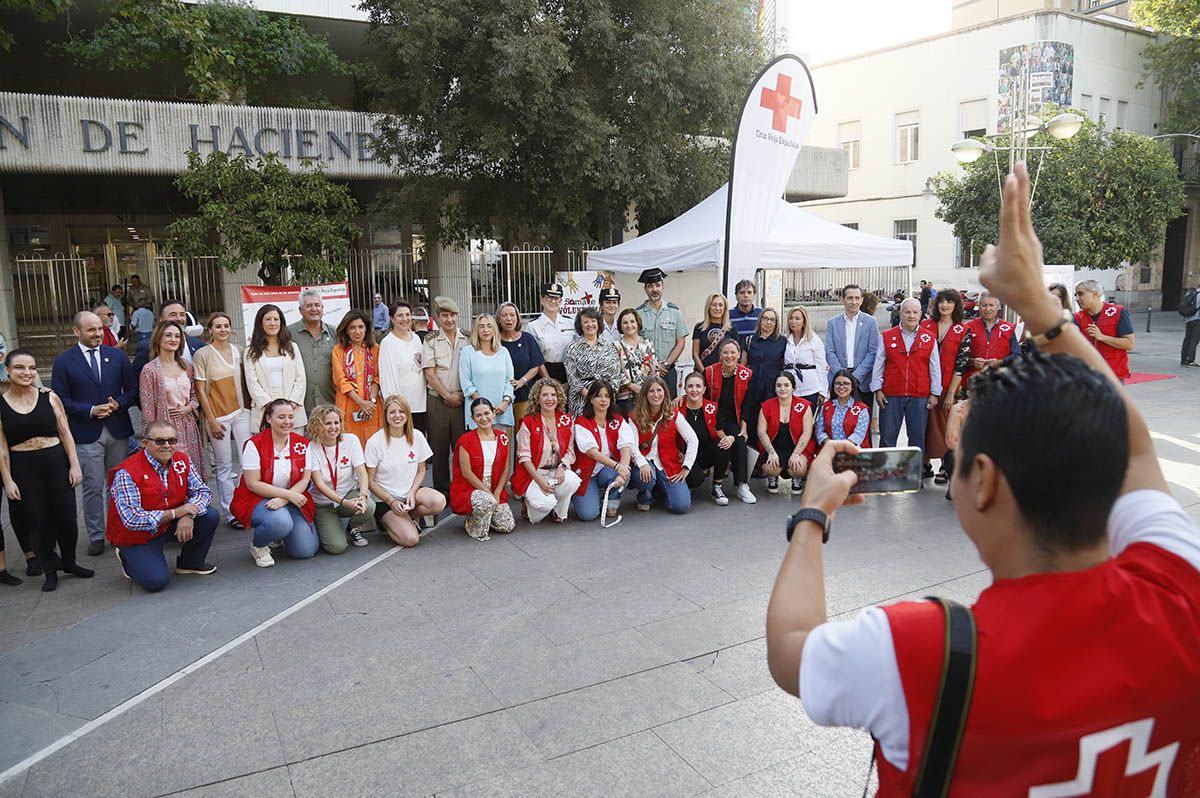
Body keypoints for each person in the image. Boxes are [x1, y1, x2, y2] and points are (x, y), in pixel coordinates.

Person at [766, 161, 1200, 796]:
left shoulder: (919, 652)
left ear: (986, 482)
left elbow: (791, 650)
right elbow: (1132, 443)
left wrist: (812, 517)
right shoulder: (1179, 595)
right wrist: (1044, 312)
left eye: (961, 446)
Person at [0, 350, 90, 591]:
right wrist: (8, 480)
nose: (26, 373)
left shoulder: (49, 397)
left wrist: (74, 464)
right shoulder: (1, 404)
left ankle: (70, 563)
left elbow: (65, 433)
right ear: (7, 370)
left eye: (31, 368)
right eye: (19, 367)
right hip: (24, 467)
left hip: (56, 461)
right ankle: (50, 570)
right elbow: (2, 449)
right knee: (38, 522)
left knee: (68, 518)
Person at [51, 310, 138, 556]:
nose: (98, 333)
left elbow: (132, 390)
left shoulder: (116, 356)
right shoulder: (64, 361)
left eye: (100, 328)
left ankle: (118, 530)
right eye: (91, 329)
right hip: (86, 432)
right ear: (76, 331)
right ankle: (97, 535)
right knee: (92, 486)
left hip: (118, 429)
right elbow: (60, 399)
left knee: (118, 485)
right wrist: (90, 410)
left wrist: (117, 404)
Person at [107, 421, 218, 592]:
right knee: (156, 582)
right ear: (145, 443)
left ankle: (190, 563)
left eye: (172, 440)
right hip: (138, 535)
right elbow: (132, 519)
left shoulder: (182, 460)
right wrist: (177, 513)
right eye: (159, 441)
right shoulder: (127, 472)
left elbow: (203, 491)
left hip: (167, 524)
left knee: (210, 516)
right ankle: (126, 556)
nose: (167, 445)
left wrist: (187, 515)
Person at [230, 398, 318, 567]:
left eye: (291, 417)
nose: (287, 422)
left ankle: (277, 534)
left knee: (305, 550)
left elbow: (305, 479)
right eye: (281, 417)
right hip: (257, 498)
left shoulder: (303, 444)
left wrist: (285, 499)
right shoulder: (254, 444)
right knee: (280, 522)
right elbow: (252, 484)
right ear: (269, 419)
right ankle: (259, 545)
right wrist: (288, 495)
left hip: (290, 499)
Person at [193, 312, 251, 529]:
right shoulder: (203, 354)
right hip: (218, 415)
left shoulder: (239, 351)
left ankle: (245, 505)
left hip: (242, 412)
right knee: (224, 465)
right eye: (218, 326)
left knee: (247, 463)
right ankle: (230, 511)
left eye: (226, 325)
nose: (223, 329)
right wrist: (211, 420)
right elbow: (200, 390)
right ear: (210, 330)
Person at [365, 394, 445, 547]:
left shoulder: (417, 436)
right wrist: (391, 501)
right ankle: (385, 522)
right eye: (392, 412)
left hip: (408, 493)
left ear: (407, 414)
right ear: (385, 415)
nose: (397, 416)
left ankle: (410, 515)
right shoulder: (375, 442)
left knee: (438, 502)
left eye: (401, 412)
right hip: (385, 499)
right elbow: (369, 480)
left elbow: (422, 470)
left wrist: (412, 493)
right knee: (411, 539)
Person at [871, 298, 941, 458]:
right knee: (887, 438)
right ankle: (885, 475)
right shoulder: (887, 336)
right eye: (907, 312)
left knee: (917, 439)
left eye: (915, 312)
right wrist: (877, 389)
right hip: (891, 394)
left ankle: (914, 477)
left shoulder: (929, 338)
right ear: (900, 313)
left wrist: (935, 392)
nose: (911, 315)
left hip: (920, 395)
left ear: (921, 314)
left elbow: (934, 367)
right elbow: (879, 364)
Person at [139, 321, 207, 481]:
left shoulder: (187, 366)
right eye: (168, 335)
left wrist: (189, 407)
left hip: (188, 426)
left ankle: (196, 504)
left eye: (177, 336)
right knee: (171, 473)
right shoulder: (150, 370)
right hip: (165, 428)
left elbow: (195, 396)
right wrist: (151, 439)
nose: (173, 339)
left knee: (192, 471)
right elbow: (147, 409)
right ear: (158, 339)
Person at [306, 404, 374, 553]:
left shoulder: (351, 440)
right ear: (317, 425)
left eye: (336, 422)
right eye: (327, 423)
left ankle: (353, 528)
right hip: (323, 504)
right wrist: (344, 502)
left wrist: (362, 496)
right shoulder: (311, 448)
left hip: (347, 495)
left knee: (369, 505)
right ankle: (325, 525)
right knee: (337, 547)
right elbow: (319, 484)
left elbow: (362, 473)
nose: (333, 427)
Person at [511, 377, 580, 524]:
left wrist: (562, 467)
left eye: (553, 395)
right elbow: (524, 457)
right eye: (545, 395)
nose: (550, 399)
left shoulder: (566, 419)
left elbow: (570, 451)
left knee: (573, 480)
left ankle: (558, 512)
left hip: (556, 471)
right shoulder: (528, 422)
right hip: (536, 474)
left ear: (559, 397)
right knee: (541, 509)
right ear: (537, 398)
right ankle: (531, 504)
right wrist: (540, 481)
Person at [921, 290, 972, 484]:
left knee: (946, 427)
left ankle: (945, 466)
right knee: (924, 426)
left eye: (949, 302)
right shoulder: (925, 325)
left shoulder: (963, 330)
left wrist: (951, 393)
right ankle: (924, 465)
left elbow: (961, 365)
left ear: (956, 305)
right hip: (924, 385)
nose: (944, 305)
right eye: (941, 301)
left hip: (949, 386)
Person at [628, 376, 698, 514]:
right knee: (648, 478)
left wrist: (686, 467)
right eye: (651, 391)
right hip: (644, 464)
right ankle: (645, 495)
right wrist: (642, 463)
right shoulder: (634, 417)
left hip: (668, 464)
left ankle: (659, 491)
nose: (656, 395)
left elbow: (693, 439)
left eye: (659, 390)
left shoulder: (673, 414)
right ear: (645, 395)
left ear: (665, 393)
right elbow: (632, 446)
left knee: (681, 506)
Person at [570, 380, 635, 522]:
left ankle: (612, 499)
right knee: (588, 514)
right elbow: (592, 452)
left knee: (625, 473)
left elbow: (626, 448)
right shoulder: (581, 422)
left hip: (606, 470)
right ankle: (593, 495)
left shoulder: (618, 420)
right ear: (591, 399)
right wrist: (618, 467)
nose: (603, 400)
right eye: (599, 396)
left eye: (607, 396)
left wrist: (622, 472)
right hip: (586, 473)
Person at [450, 398, 514, 541]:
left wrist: (497, 492)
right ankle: (472, 522)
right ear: (472, 418)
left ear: (493, 413)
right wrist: (488, 493)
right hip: (473, 487)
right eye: (478, 415)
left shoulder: (502, 437)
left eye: (487, 413)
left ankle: (486, 513)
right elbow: (466, 473)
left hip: (494, 485)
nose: (483, 418)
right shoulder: (465, 440)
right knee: (486, 503)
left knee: (507, 526)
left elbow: (505, 467)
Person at [423, 296, 468, 494]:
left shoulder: (468, 338)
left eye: (452, 315)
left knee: (461, 448)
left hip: (462, 399)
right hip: (438, 400)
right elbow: (430, 374)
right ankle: (442, 491)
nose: (449, 319)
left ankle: (460, 488)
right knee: (439, 449)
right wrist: (447, 396)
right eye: (444, 316)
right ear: (438, 317)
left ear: (458, 316)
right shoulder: (430, 340)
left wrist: (460, 394)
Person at [704, 339, 756, 504]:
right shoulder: (709, 372)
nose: (729, 356)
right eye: (725, 352)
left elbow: (748, 404)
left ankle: (742, 484)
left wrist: (744, 427)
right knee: (722, 443)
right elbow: (702, 397)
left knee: (739, 440)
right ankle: (717, 485)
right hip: (712, 419)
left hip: (734, 419)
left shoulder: (746, 374)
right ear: (720, 355)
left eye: (733, 352)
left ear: (739, 354)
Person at [243, 304, 307, 431]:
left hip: (292, 408)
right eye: (268, 319)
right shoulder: (250, 351)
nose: (273, 323)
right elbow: (252, 383)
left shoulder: (292, 347)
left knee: (294, 448)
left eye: (276, 319)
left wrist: (292, 403)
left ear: (281, 322)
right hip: (264, 410)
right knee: (268, 449)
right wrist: (270, 407)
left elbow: (301, 378)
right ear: (260, 323)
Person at [680, 371, 735, 506]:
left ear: (704, 389)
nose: (694, 390)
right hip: (683, 456)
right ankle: (682, 485)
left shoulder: (712, 408)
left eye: (698, 386)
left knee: (723, 445)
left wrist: (730, 438)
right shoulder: (677, 407)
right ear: (685, 389)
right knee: (695, 480)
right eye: (690, 386)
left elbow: (721, 433)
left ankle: (717, 487)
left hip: (705, 454)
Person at [756, 372, 814, 494]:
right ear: (775, 388)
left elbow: (807, 432)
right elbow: (761, 432)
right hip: (774, 448)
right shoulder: (766, 406)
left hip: (797, 448)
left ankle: (797, 479)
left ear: (793, 387)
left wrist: (797, 453)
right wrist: (771, 452)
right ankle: (772, 477)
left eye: (786, 385)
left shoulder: (804, 406)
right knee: (771, 468)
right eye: (779, 385)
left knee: (798, 468)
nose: (782, 389)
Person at [332, 309, 382, 446]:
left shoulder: (375, 349)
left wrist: (369, 403)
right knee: (350, 446)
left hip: (372, 406)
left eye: (360, 327)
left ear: (366, 329)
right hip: (348, 405)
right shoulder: (338, 350)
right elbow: (341, 380)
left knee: (373, 445)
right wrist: (361, 403)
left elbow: (377, 378)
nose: (357, 331)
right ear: (346, 330)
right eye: (352, 328)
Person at [635, 268, 687, 399]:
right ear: (645, 289)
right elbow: (635, 343)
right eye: (650, 286)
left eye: (657, 285)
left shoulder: (675, 312)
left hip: (668, 371)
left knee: (670, 409)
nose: (654, 289)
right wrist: (652, 366)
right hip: (645, 372)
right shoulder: (638, 314)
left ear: (663, 287)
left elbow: (680, 342)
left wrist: (666, 364)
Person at [824, 284, 880, 406]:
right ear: (842, 300)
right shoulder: (832, 323)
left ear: (861, 300)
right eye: (850, 298)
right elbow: (829, 351)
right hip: (838, 382)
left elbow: (873, 351)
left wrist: (856, 376)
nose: (853, 302)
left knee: (863, 421)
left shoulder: (871, 322)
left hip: (862, 382)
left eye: (857, 298)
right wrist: (842, 376)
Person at [378, 300, 428, 432]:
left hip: (421, 405)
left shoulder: (416, 338)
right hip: (402, 409)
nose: (405, 319)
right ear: (392, 319)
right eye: (400, 315)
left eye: (407, 315)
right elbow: (387, 380)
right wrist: (396, 409)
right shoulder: (388, 343)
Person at [459, 313, 515, 430]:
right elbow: (466, 383)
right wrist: (484, 406)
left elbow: (509, 381)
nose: (486, 330)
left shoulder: (503, 352)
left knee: (500, 447)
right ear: (476, 330)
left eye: (489, 326)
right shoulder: (468, 352)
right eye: (481, 326)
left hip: (501, 411)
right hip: (478, 413)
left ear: (494, 329)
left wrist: (505, 402)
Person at [288, 288, 338, 416]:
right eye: (309, 306)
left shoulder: (335, 333)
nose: (314, 309)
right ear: (300, 310)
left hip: (330, 404)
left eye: (317, 305)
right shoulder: (289, 333)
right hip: (300, 406)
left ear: (322, 308)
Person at [564, 307, 622, 416]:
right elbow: (572, 376)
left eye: (593, 321)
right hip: (581, 398)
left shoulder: (609, 347)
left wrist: (604, 394)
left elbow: (616, 374)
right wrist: (589, 394)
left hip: (605, 398)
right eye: (585, 322)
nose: (590, 324)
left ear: (599, 323)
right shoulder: (573, 348)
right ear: (580, 326)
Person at [1074, 279, 1135, 382]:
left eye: (1080, 294)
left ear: (1095, 294)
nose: (1077, 298)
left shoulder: (1118, 313)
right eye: (1076, 295)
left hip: (1113, 375)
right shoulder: (1077, 317)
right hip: (1088, 375)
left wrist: (1102, 337)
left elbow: (1129, 344)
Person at [496, 301, 544, 429]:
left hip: (524, 395)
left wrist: (522, 380)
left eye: (512, 315)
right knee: (502, 437)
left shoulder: (527, 339)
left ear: (517, 318)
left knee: (524, 434)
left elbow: (536, 365)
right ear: (499, 319)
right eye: (504, 315)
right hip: (500, 398)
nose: (508, 319)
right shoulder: (494, 342)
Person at [742, 307, 786, 433]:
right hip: (753, 385)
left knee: (772, 417)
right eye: (765, 318)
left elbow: (783, 364)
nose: (768, 322)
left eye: (772, 319)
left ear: (776, 323)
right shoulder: (749, 340)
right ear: (760, 320)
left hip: (773, 384)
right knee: (752, 417)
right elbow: (743, 367)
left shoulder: (782, 341)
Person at [963, 291, 1020, 385]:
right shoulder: (968, 327)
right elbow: (959, 356)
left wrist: (1001, 362)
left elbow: (1017, 355)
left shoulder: (1008, 328)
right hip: (973, 382)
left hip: (999, 382)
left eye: (991, 305)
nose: (988, 309)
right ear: (978, 306)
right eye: (984, 305)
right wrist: (972, 362)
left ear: (998, 307)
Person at [526, 283, 575, 383]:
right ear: (542, 299)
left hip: (569, 374)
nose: (553, 301)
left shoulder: (570, 323)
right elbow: (534, 357)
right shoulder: (533, 326)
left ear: (561, 301)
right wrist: (548, 381)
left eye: (556, 298)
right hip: (544, 373)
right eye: (549, 298)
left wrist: (569, 382)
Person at [782, 305, 827, 409]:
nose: (793, 321)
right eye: (791, 318)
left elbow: (821, 367)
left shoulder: (814, 341)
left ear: (804, 322)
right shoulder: (785, 340)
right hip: (789, 388)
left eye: (797, 318)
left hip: (810, 388)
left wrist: (822, 391)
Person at [813, 369, 870, 448]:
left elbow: (859, 434)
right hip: (829, 450)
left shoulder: (862, 409)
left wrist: (841, 448)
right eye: (837, 383)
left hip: (853, 451)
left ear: (852, 386)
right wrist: (829, 444)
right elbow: (819, 430)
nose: (841, 387)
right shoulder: (826, 407)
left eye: (846, 383)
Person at [692, 294, 735, 370]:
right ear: (708, 307)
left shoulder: (731, 327)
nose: (717, 308)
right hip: (704, 371)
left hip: (725, 373)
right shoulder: (699, 327)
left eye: (721, 305)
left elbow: (736, 352)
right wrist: (704, 373)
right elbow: (695, 354)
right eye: (714, 305)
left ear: (725, 308)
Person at [729, 279, 761, 345]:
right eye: (742, 292)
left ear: (754, 295)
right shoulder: (728, 315)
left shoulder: (761, 314)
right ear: (736, 296)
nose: (746, 295)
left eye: (749, 292)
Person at [1184, 289, 1200, 368]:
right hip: (1197, 320)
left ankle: (1183, 359)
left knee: (1187, 339)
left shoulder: (1189, 293)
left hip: (1188, 319)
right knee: (1194, 340)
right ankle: (1191, 360)